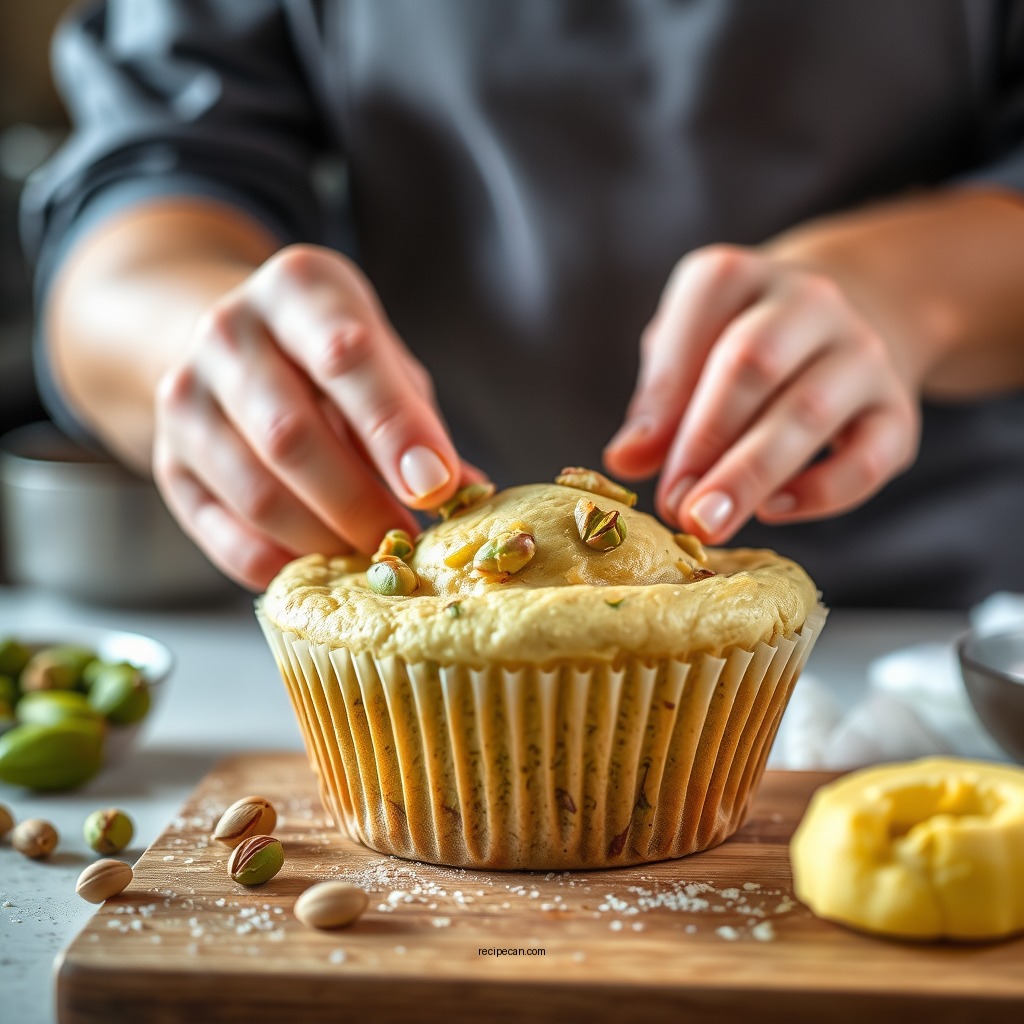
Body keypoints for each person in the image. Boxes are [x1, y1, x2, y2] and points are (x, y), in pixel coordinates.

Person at [20, 0, 1024, 607]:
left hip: (954, 632)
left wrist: (903, 291)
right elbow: (141, 189)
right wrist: (190, 337)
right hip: (404, 572)